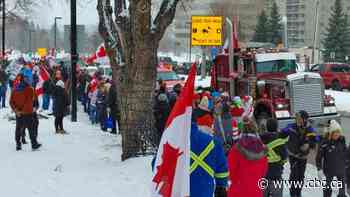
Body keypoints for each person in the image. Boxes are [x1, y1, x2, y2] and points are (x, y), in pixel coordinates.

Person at [227, 116, 268, 197]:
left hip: (238, 191)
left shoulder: (236, 150)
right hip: (256, 191)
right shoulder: (262, 150)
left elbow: (230, 172)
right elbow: (263, 172)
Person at [281, 110, 319, 197]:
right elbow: (281, 133)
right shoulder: (291, 127)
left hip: (303, 157)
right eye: (296, 117)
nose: (297, 119)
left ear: (304, 119)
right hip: (293, 155)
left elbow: (315, 140)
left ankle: (298, 193)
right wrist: (279, 133)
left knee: (301, 176)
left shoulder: (309, 129)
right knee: (294, 174)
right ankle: (293, 193)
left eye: (299, 118)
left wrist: (308, 143)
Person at [190, 123, 228, 197]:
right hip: (204, 191)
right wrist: (221, 187)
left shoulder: (173, 143)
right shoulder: (214, 142)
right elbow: (222, 171)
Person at [10, 68, 41, 151]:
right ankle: (34, 144)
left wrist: (16, 110)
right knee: (31, 128)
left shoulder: (14, 90)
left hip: (19, 113)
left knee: (18, 128)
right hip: (27, 112)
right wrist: (26, 110)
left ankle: (18, 144)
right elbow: (30, 101)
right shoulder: (29, 89)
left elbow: (11, 102)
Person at [316, 120, 347, 197]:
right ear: (331, 133)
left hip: (341, 170)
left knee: (342, 193)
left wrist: (347, 164)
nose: (337, 134)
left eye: (338, 132)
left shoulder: (342, 140)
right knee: (327, 189)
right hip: (329, 170)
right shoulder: (325, 143)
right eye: (335, 132)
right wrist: (319, 169)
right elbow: (318, 157)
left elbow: (345, 154)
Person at [260, 118, 288, 197]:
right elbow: (285, 158)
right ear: (276, 127)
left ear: (266, 127)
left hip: (263, 175)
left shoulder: (259, 140)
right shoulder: (280, 141)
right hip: (276, 174)